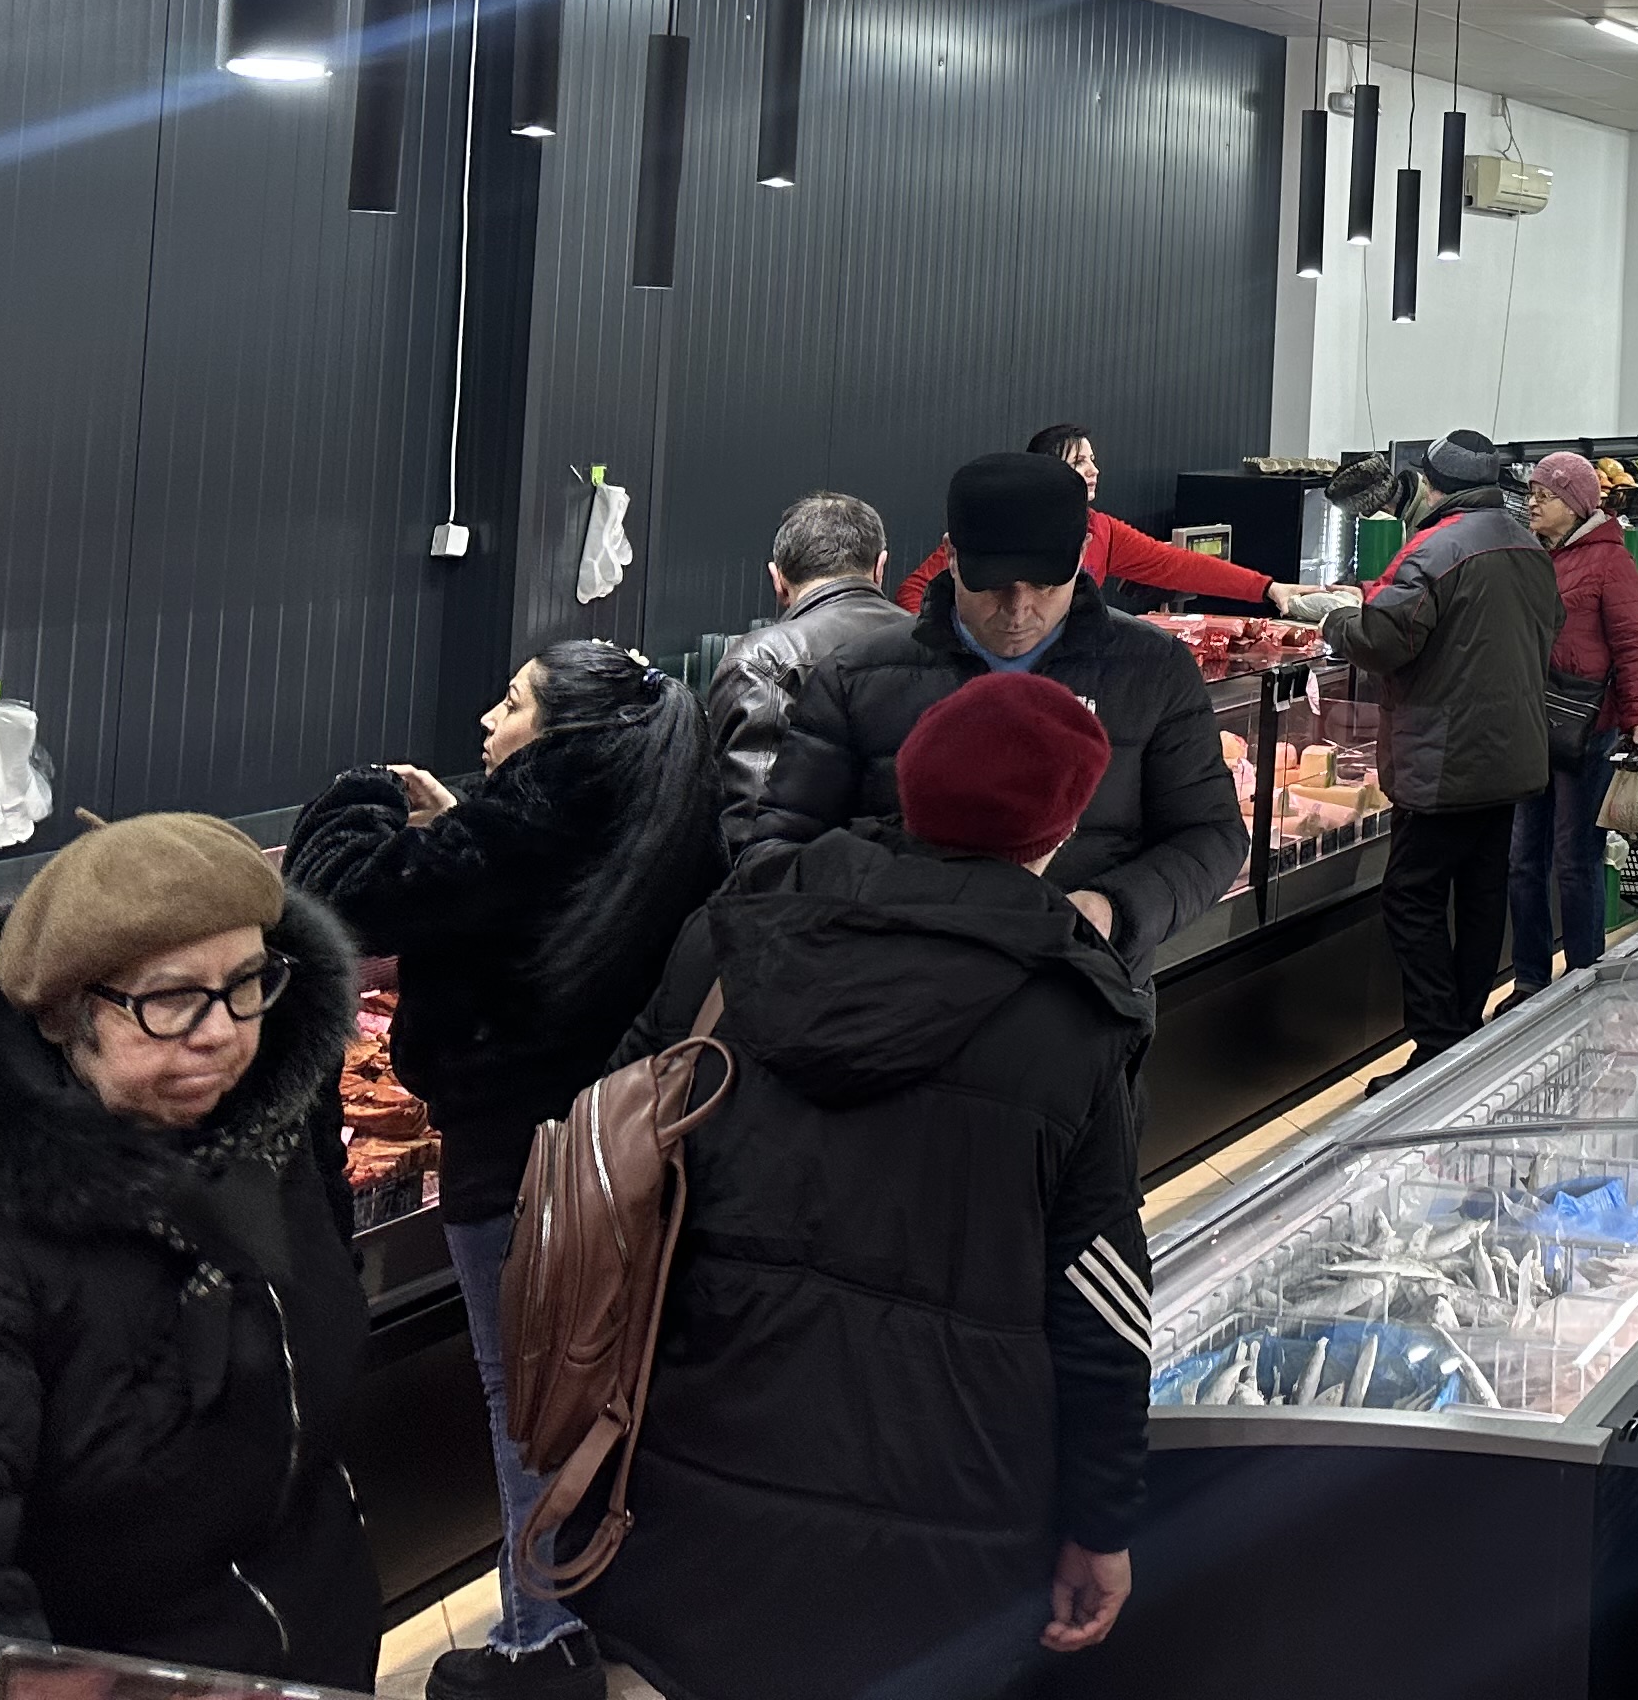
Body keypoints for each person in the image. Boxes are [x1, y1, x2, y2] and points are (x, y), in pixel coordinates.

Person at [583, 674, 1150, 1700]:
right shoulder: (1074, 1017)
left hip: (698, 1452)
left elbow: (612, 1149)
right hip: (943, 1497)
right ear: (1061, 828)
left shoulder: (732, 937)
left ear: (910, 784)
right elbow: (1100, 1307)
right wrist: (1101, 1522)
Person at [287, 643, 726, 1699]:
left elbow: (341, 895)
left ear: (567, 728)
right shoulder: (661, 793)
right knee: (602, 1398)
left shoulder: (543, 803)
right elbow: (525, 896)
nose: (490, 718)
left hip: (515, 1159)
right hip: (629, 1144)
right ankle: (612, 1621)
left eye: (515, 701)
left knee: (524, 1405)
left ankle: (541, 1642)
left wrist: (361, 795)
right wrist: (460, 822)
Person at [0, 814, 379, 1688]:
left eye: (246, 983)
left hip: (320, 1638)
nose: (222, 1031)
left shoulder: (268, 1130)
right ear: (64, 1014)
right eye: (170, 1000)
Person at [742, 450, 1246, 973]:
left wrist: (1109, 912)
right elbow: (776, 851)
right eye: (993, 583)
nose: (1018, 608)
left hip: (1087, 988)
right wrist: (897, 907)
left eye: (1045, 583)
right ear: (951, 556)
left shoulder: (1153, 670)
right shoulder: (856, 677)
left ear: (1082, 553)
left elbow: (1211, 834)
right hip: (898, 991)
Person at [1321, 429, 1555, 1069]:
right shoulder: (1526, 543)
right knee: (1481, 895)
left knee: (1411, 898)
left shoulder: (1435, 549)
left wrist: (1333, 618)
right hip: (1511, 756)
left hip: (1444, 760)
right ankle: (1463, 1036)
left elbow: (1382, 641)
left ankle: (1435, 1044)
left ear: (1428, 484)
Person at [1512, 451, 1638, 999]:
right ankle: (1529, 977)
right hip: (1531, 722)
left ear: (1574, 504)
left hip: (1587, 727)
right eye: (1531, 494)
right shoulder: (1531, 553)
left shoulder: (1609, 561)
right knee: (1523, 858)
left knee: (1576, 858)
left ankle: (1583, 975)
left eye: (1543, 497)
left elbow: (1633, 643)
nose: (1532, 505)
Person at [703, 489, 910, 854]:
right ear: (880, 567)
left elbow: (750, 828)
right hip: (924, 879)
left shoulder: (764, 659)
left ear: (778, 579)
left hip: (810, 883)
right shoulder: (932, 643)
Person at [894, 421, 1282, 610]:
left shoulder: (1100, 529)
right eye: (1080, 462)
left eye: (1093, 460)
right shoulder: (999, 523)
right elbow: (913, 591)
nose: (1094, 470)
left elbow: (1177, 564)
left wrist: (1267, 588)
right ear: (1047, 472)